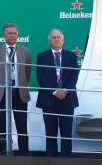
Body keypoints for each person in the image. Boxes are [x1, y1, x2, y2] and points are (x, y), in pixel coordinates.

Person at [0, 23, 31, 156]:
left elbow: (27, 73)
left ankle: (24, 152)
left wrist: (21, 85)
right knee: (1, 124)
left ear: (17, 34)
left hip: (19, 93)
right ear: (4, 35)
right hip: (3, 94)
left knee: (22, 125)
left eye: (14, 33)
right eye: (9, 33)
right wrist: (1, 86)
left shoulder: (25, 51)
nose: (12, 35)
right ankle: (1, 151)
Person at [36, 29, 79, 157]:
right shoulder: (41, 56)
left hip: (67, 98)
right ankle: (51, 158)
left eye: (58, 37)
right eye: (53, 38)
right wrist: (55, 91)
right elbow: (40, 77)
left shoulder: (71, 56)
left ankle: (66, 159)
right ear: (49, 41)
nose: (56, 39)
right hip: (49, 99)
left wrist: (64, 90)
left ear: (63, 40)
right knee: (50, 132)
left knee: (66, 133)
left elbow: (74, 76)